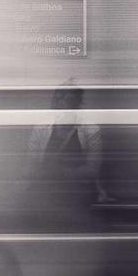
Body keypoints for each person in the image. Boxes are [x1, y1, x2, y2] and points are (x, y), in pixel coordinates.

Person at [26, 83, 110, 212]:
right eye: (61, 101)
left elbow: (92, 169)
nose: (65, 106)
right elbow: (32, 165)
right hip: (46, 190)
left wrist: (56, 174)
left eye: (72, 102)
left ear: (78, 105)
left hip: (78, 190)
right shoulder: (41, 128)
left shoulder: (91, 130)